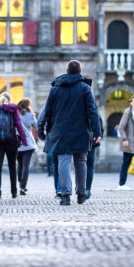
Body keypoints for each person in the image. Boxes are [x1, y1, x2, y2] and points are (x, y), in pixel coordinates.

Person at [38, 60, 101, 206]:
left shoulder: (55, 89)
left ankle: (65, 195)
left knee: (63, 161)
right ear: (80, 72)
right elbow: (93, 111)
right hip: (81, 130)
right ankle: (81, 194)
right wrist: (97, 131)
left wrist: (41, 129)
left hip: (60, 131)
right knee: (81, 162)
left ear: (66, 71)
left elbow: (46, 111)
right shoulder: (85, 88)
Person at [0, 92, 27, 199]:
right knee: (12, 166)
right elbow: (19, 125)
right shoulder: (13, 110)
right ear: (9, 100)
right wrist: (24, 140)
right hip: (11, 141)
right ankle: (14, 192)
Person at [17, 98, 38, 195]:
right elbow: (36, 127)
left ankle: (20, 182)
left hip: (17, 144)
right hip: (28, 144)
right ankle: (22, 186)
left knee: (20, 165)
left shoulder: (15, 114)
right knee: (26, 166)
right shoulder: (31, 115)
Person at [85, 116, 104, 200]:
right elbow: (101, 130)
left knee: (80, 165)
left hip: (80, 143)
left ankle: (80, 187)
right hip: (92, 143)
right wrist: (98, 135)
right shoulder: (96, 115)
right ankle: (88, 189)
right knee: (89, 166)